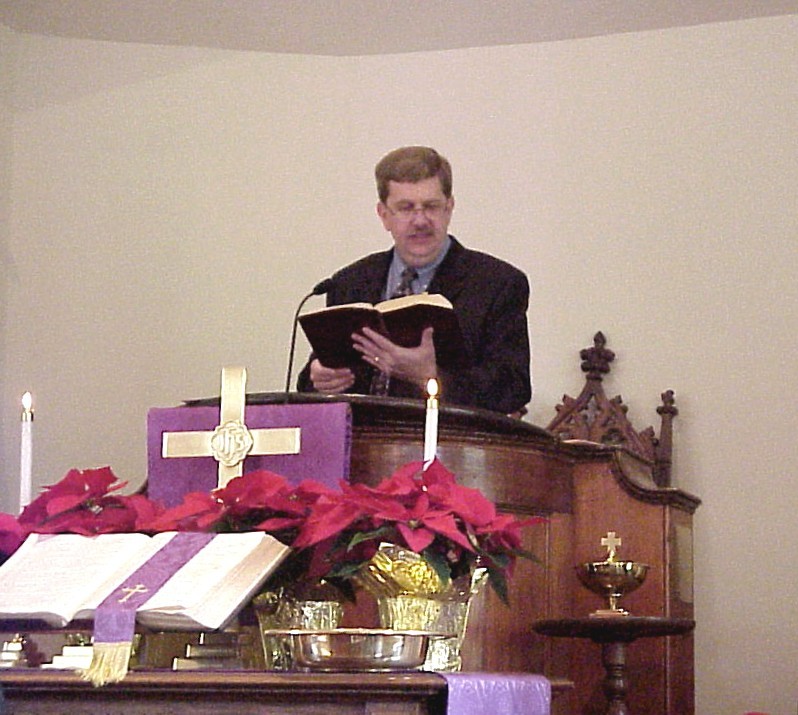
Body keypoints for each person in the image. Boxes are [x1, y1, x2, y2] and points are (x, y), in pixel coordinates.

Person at [297, 146, 531, 415]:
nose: (420, 221)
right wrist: (319, 379)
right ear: (384, 215)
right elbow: (313, 381)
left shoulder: (497, 284)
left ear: (449, 208)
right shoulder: (349, 283)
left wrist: (430, 376)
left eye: (431, 206)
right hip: (362, 437)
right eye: (406, 208)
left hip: (449, 438)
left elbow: (514, 388)